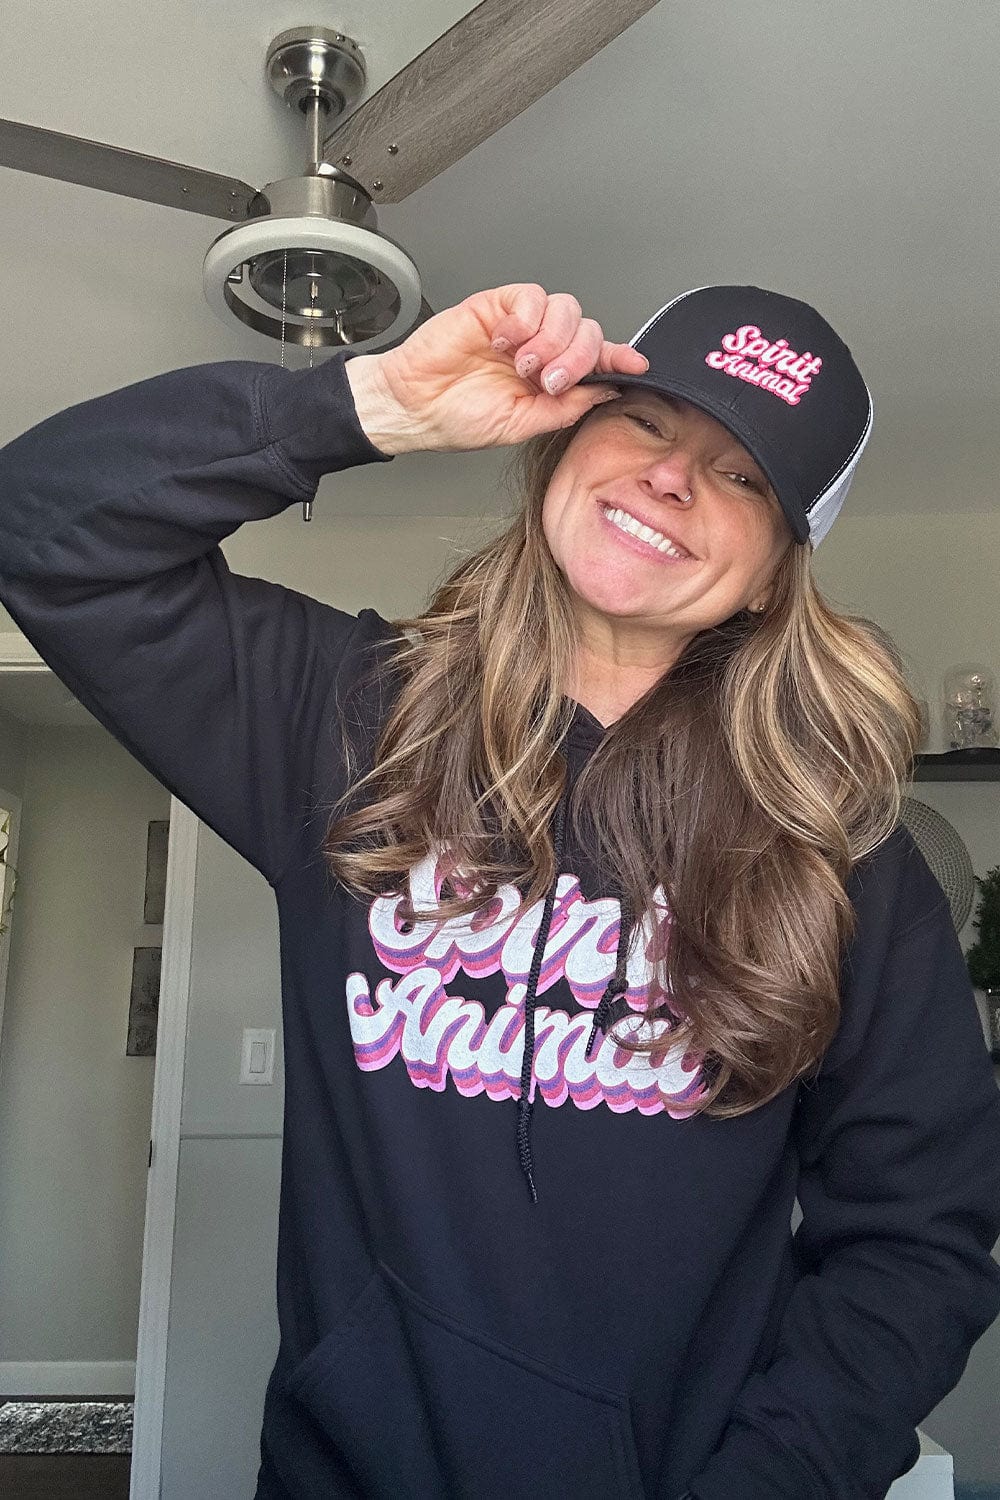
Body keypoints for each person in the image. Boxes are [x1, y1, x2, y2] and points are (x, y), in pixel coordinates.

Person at [1, 281, 998, 1500]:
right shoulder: (348, 722)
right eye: (644, 421)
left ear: (771, 576)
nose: (671, 478)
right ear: (560, 445)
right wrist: (373, 403)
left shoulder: (842, 856)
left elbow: (914, 1243)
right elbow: (40, 526)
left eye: (741, 476)